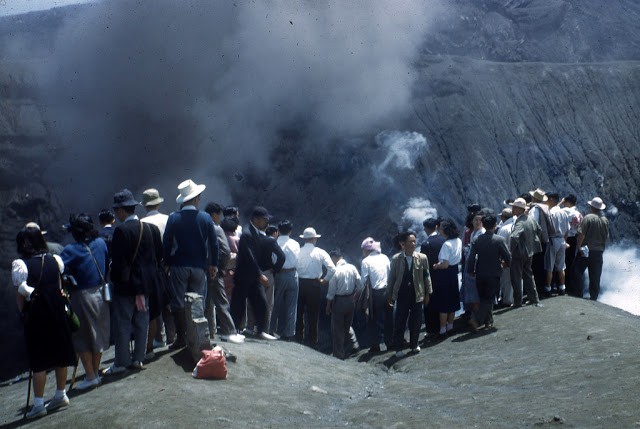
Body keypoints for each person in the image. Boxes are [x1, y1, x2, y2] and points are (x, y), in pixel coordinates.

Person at [12, 225, 75, 419]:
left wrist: (24, 314)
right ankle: (60, 394)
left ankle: (39, 404)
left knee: (39, 359)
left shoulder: (22, 265)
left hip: (37, 314)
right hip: (56, 310)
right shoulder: (54, 260)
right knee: (60, 352)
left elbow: (20, 297)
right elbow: (58, 286)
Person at [106, 189, 163, 374]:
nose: (116, 214)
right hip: (145, 286)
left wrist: (115, 281)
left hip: (126, 287)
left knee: (123, 324)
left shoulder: (121, 231)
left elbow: (119, 263)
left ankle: (121, 362)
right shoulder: (149, 229)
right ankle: (139, 358)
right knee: (142, 322)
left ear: (122, 210)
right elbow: (157, 256)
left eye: (117, 210)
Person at [163, 179, 219, 350]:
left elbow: (167, 242)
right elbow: (214, 244)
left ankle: (181, 338)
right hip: (199, 267)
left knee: (178, 302)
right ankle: (197, 339)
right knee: (198, 302)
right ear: (195, 199)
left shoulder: (173, 218)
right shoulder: (205, 218)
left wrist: (167, 262)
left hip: (179, 265)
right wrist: (213, 265)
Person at [60, 213, 110, 390]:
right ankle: (94, 373)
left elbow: (60, 269)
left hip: (82, 297)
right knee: (98, 334)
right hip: (101, 295)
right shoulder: (100, 243)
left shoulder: (70, 250)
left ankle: (90, 375)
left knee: (81, 336)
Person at [230, 206, 278, 340]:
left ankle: (261, 331)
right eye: (264, 219)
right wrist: (259, 274)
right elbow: (249, 256)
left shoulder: (255, 233)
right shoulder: (247, 234)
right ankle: (232, 332)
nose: (266, 222)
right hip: (244, 275)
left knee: (261, 303)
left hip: (252, 276)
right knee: (238, 304)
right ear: (256, 219)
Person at [203, 202, 244, 344]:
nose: (220, 217)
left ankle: (208, 333)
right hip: (216, 271)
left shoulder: (201, 225)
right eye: (219, 214)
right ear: (215, 214)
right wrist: (220, 266)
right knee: (221, 301)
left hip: (201, 270)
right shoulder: (216, 228)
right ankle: (229, 331)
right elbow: (226, 252)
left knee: (206, 303)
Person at [388, 231, 432, 357]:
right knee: (400, 321)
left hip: (417, 294)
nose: (413, 244)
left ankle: (414, 345)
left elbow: (426, 276)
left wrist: (428, 293)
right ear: (403, 244)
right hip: (402, 295)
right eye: (410, 241)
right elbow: (391, 278)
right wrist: (390, 295)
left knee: (416, 321)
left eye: (414, 241)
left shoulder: (422, 258)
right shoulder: (396, 259)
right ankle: (399, 348)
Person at [140, 188, 173, 354]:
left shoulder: (140, 223)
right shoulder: (168, 219)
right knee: (169, 301)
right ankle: (172, 336)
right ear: (159, 203)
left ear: (145, 206)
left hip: (151, 268)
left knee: (155, 304)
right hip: (168, 265)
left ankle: (160, 337)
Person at [467, 213, 511, 329]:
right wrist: (506, 264)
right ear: (495, 225)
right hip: (494, 273)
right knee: (490, 298)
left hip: (480, 273)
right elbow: (507, 256)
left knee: (483, 298)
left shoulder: (477, 239)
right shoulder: (499, 240)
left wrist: (471, 270)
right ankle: (476, 320)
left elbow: (471, 257)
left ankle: (489, 322)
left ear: (483, 225)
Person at [296, 227, 336, 348]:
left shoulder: (298, 251)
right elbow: (332, 269)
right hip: (315, 284)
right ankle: (313, 341)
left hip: (299, 283)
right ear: (314, 239)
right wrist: (325, 280)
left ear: (304, 239)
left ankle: (298, 337)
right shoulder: (321, 252)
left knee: (299, 312)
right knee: (313, 314)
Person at [326, 249, 362, 359]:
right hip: (351, 300)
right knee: (347, 325)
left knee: (337, 328)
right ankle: (354, 345)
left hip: (339, 301)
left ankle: (338, 354)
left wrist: (328, 306)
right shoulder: (352, 267)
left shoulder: (335, 271)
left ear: (334, 258)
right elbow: (360, 284)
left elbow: (331, 292)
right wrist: (355, 296)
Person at [430, 219, 462, 337]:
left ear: (446, 230)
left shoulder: (446, 244)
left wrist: (435, 266)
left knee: (444, 302)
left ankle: (442, 330)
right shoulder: (458, 240)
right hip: (454, 273)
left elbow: (444, 264)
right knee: (453, 300)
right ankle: (450, 326)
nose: (439, 230)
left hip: (445, 274)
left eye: (441, 228)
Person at [509, 198, 542, 307]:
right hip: (530, 252)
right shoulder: (531, 219)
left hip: (519, 254)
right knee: (528, 275)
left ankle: (518, 302)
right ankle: (534, 299)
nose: (512, 209)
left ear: (519, 210)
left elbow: (514, 237)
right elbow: (539, 230)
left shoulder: (520, 221)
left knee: (516, 277)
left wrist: (511, 250)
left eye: (514, 207)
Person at [360, 237, 392, 352]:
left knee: (373, 319)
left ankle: (375, 345)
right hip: (388, 291)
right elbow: (390, 273)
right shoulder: (384, 257)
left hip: (375, 293)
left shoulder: (366, 261)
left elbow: (364, 281)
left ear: (367, 250)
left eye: (363, 250)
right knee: (388, 317)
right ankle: (390, 342)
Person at [575, 197, 609, 300]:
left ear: (591, 207)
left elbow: (581, 234)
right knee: (595, 276)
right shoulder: (605, 220)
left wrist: (579, 247)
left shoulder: (588, 218)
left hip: (586, 250)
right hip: (598, 252)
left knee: (577, 271)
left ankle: (578, 294)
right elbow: (606, 237)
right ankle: (594, 297)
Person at [271, 220, 300, 340]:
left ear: (278, 230)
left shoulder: (275, 242)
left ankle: (271, 329)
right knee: (292, 305)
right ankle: (289, 333)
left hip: (279, 274)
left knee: (275, 303)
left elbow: (273, 259)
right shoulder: (296, 243)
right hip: (293, 274)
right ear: (290, 231)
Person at [419, 218, 444, 334]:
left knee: (430, 304)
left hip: (431, 277)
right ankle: (442, 325)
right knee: (441, 301)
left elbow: (424, 264)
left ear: (426, 228)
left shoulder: (425, 244)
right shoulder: (444, 240)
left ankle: (432, 329)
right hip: (443, 274)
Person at [529, 188, 554, 297]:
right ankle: (542, 289)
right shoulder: (545, 208)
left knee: (535, 266)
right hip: (545, 239)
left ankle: (537, 291)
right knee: (541, 264)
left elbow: (532, 224)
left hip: (536, 240)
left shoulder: (535, 209)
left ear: (534, 198)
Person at [544, 193, 570, 296]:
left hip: (552, 240)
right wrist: (565, 241)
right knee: (561, 266)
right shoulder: (564, 213)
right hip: (562, 240)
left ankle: (548, 288)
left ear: (550, 200)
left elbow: (547, 229)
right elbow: (567, 230)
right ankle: (562, 287)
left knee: (549, 266)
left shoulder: (550, 213)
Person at [560, 194, 583, 297]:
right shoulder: (579, 214)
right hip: (573, 239)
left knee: (561, 262)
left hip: (564, 238)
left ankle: (560, 284)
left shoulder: (564, 211)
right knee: (570, 263)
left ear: (568, 202)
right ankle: (569, 286)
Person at [496, 208, 515, 307]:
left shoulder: (504, 229)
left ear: (503, 217)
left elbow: (501, 246)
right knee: (516, 278)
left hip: (506, 258)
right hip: (517, 256)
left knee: (506, 280)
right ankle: (514, 298)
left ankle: (507, 300)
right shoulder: (516, 225)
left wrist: (502, 259)